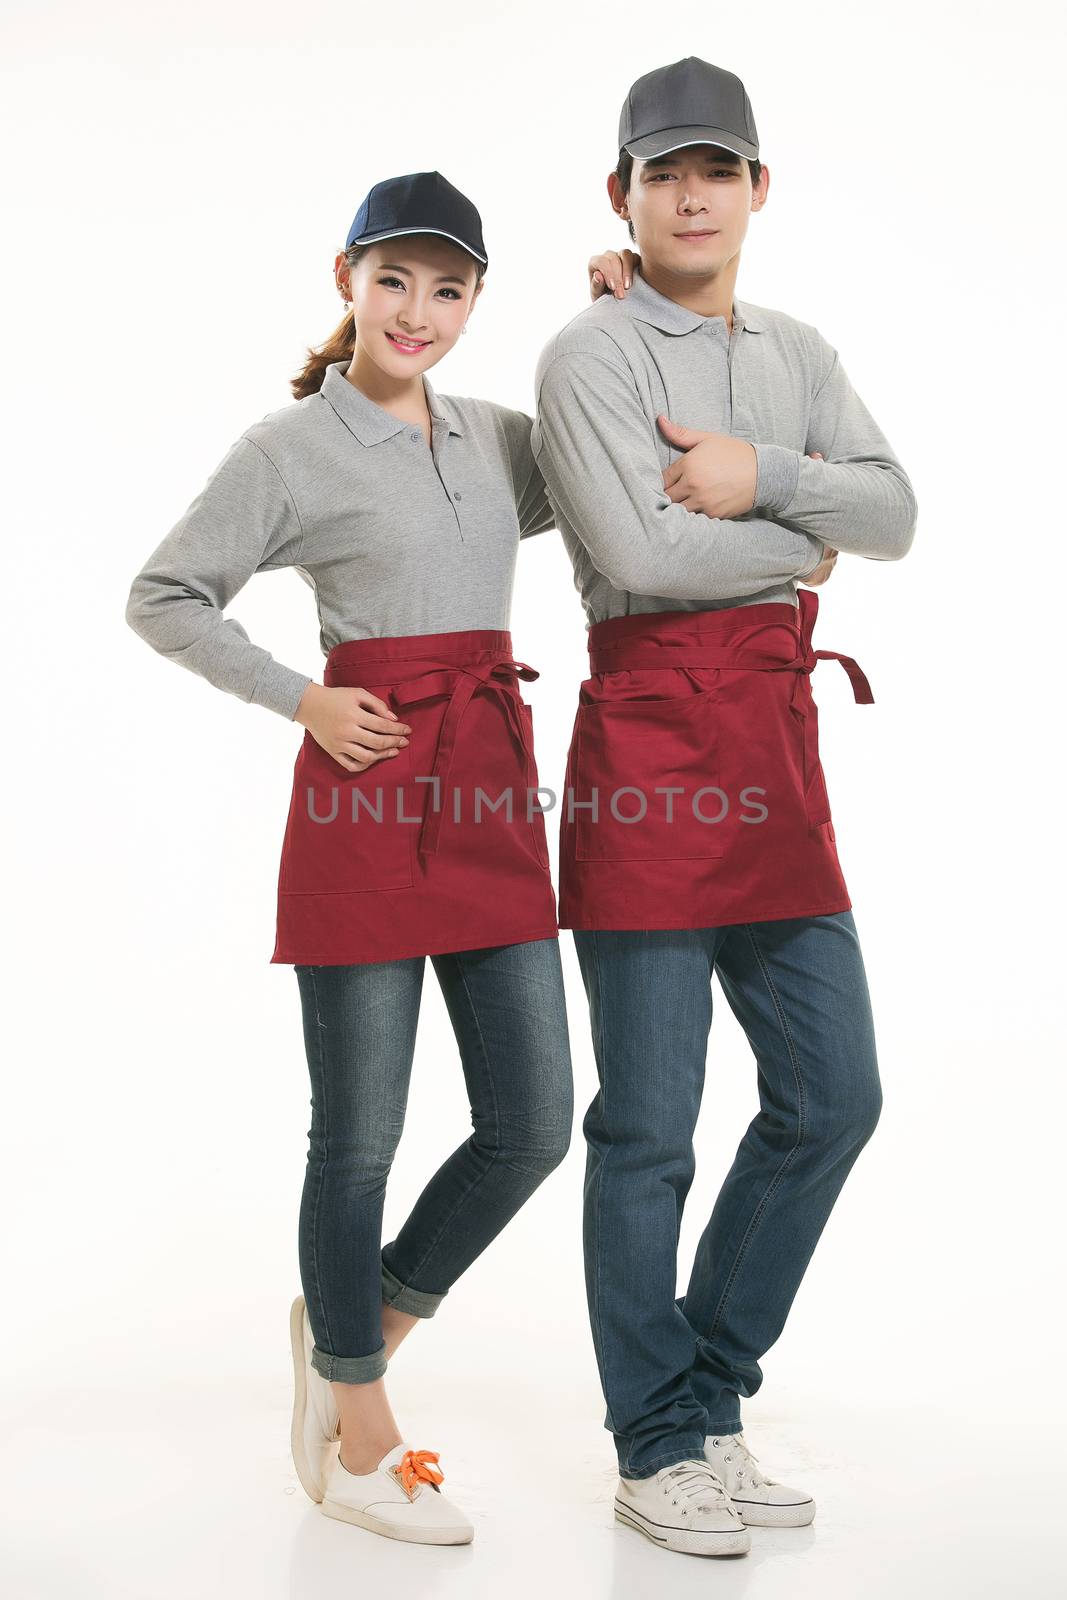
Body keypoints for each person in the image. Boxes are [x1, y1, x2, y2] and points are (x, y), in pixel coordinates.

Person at [126, 170, 593, 1548]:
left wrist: (612, 321)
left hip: (493, 789)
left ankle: (347, 1330)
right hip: (365, 787)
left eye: (449, 289)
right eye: (395, 279)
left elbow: (616, 453)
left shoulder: (500, 441)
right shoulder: (289, 449)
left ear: (472, 305)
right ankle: (357, 1425)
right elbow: (164, 594)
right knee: (362, 1136)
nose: (419, 311)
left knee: (532, 1123)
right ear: (348, 280)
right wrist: (300, 698)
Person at [531, 58, 917, 1560]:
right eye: (661, 172)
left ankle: (708, 1390)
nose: (690, 195)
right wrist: (801, 541)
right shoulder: (590, 354)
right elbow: (633, 555)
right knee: (649, 1131)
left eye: (718, 169)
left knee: (834, 1096)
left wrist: (761, 473)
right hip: (640, 754)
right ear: (621, 193)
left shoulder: (799, 353)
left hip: (772, 760)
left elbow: (896, 513)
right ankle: (654, 1444)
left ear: (760, 189)